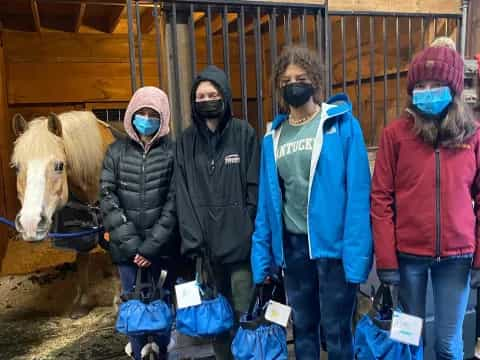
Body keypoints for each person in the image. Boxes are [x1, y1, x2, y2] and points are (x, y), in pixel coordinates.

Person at [251, 45, 373, 360]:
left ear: (315, 81)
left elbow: (358, 194)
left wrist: (357, 255)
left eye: (301, 77)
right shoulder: (273, 137)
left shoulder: (342, 124)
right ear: (279, 86)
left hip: (333, 248)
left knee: (337, 331)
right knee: (303, 328)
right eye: (286, 79)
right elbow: (267, 204)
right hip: (293, 248)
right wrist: (263, 258)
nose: (294, 83)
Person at [371, 37, 480, 359]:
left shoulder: (472, 137)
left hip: (457, 259)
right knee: (408, 341)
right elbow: (380, 198)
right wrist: (387, 262)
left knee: (448, 345)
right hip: (408, 260)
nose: (429, 90)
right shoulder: (395, 135)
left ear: (454, 90)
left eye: (437, 84)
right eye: (422, 84)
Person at [175, 65, 259, 360]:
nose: (207, 99)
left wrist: (245, 227)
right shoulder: (185, 142)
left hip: (240, 249)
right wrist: (194, 242)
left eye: (213, 93)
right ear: (193, 101)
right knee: (217, 320)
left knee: (244, 313)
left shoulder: (244, 134)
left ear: (224, 96)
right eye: (201, 95)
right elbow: (182, 194)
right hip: (206, 252)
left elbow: (254, 187)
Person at [100, 86, 177, 360]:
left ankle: (163, 352)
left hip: (162, 250)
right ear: (131, 114)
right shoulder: (115, 152)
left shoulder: (173, 152)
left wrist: (151, 247)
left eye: (152, 114)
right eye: (141, 113)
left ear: (163, 118)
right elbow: (107, 197)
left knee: (162, 307)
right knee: (133, 308)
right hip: (127, 252)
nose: (146, 118)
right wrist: (134, 246)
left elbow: (174, 201)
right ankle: (137, 352)